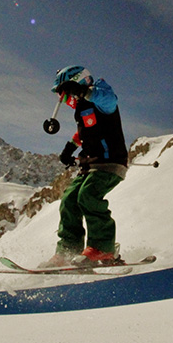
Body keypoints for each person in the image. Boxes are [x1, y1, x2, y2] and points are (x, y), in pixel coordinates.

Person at [43, 65, 129, 267]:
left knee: (88, 196)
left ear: (77, 82)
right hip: (90, 164)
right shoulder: (83, 108)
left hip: (110, 162)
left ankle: (103, 248)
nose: (66, 100)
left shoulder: (101, 94)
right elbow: (85, 132)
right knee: (69, 200)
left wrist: (84, 91)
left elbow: (110, 101)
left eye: (65, 94)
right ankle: (68, 250)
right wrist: (69, 148)